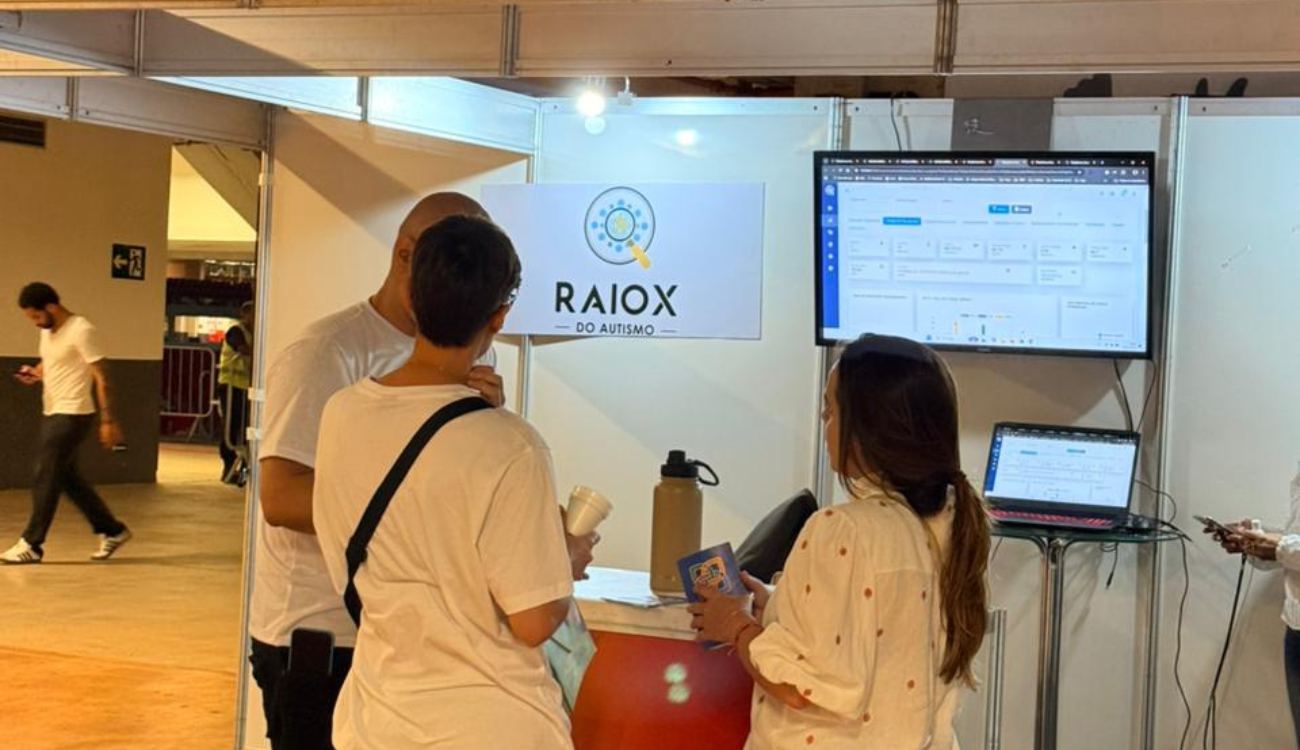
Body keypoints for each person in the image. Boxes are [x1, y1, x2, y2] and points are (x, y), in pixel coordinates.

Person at [248, 192, 597, 750]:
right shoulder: (328, 353)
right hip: (331, 639)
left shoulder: (356, 410)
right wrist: (550, 553)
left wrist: (467, 446)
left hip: (385, 675)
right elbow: (279, 498)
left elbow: (437, 492)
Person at [690, 334, 990, 750]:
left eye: (830, 409)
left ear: (868, 429)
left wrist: (735, 625)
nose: (822, 418)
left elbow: (801, 686)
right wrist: (780, 605)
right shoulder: (946, 525)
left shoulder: (842, 529)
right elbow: (878, 634)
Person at [2, 282, 132, 565]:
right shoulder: (48, 331)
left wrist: (108, 419)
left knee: (45, 472)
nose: (36, 322)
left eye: (36, 316)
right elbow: (51, 363)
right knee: (66, 479)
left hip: (73, 412)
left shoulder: (81, 329)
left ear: (52, 306)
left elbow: (102, 376)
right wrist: (35, 373)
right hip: (53, 410)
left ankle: (32, 544)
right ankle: (113, 530)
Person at [1205, 468, 1300, 746]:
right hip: (1296, 626)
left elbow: (1288, 547)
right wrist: (1257, 540)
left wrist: (1280, 546)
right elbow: (1293, 542)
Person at [218, 301, 254, 486]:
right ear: (244, 314)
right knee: (231, 427)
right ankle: (228, 465)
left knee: (245, 427)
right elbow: (243, 349)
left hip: (247, 388)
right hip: (231, 386)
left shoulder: (254, 333)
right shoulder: (236, 332)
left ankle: (243, 468)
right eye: (252, 314)